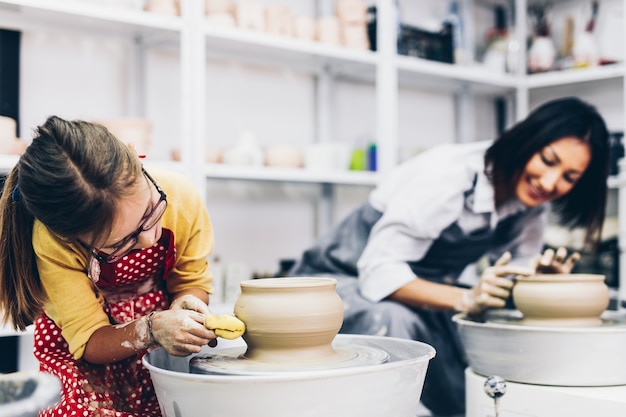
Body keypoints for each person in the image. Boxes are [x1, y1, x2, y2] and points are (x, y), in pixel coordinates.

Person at [289, 96, 610, 416]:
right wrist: (468, 299)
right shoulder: (449, 176)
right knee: (394, 323)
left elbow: (516, 267)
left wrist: (541, 280)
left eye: (569, 177)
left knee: (466, 366)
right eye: (548, 160)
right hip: (340, 283)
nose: (550, 182)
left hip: (419, 290)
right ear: (527, 141)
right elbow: (378, 275)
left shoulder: (531, 203)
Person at [0, 116, 219, 416]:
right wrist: (150, 328)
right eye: (121, 243)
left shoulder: (180, 196)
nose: (149, 238)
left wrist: (188, 304)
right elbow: (90, 339)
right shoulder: (53, 242)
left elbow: (191, 280)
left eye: (150, 211)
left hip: (154, 355)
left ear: (135, 154)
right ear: (69, 237)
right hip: (85, 360)